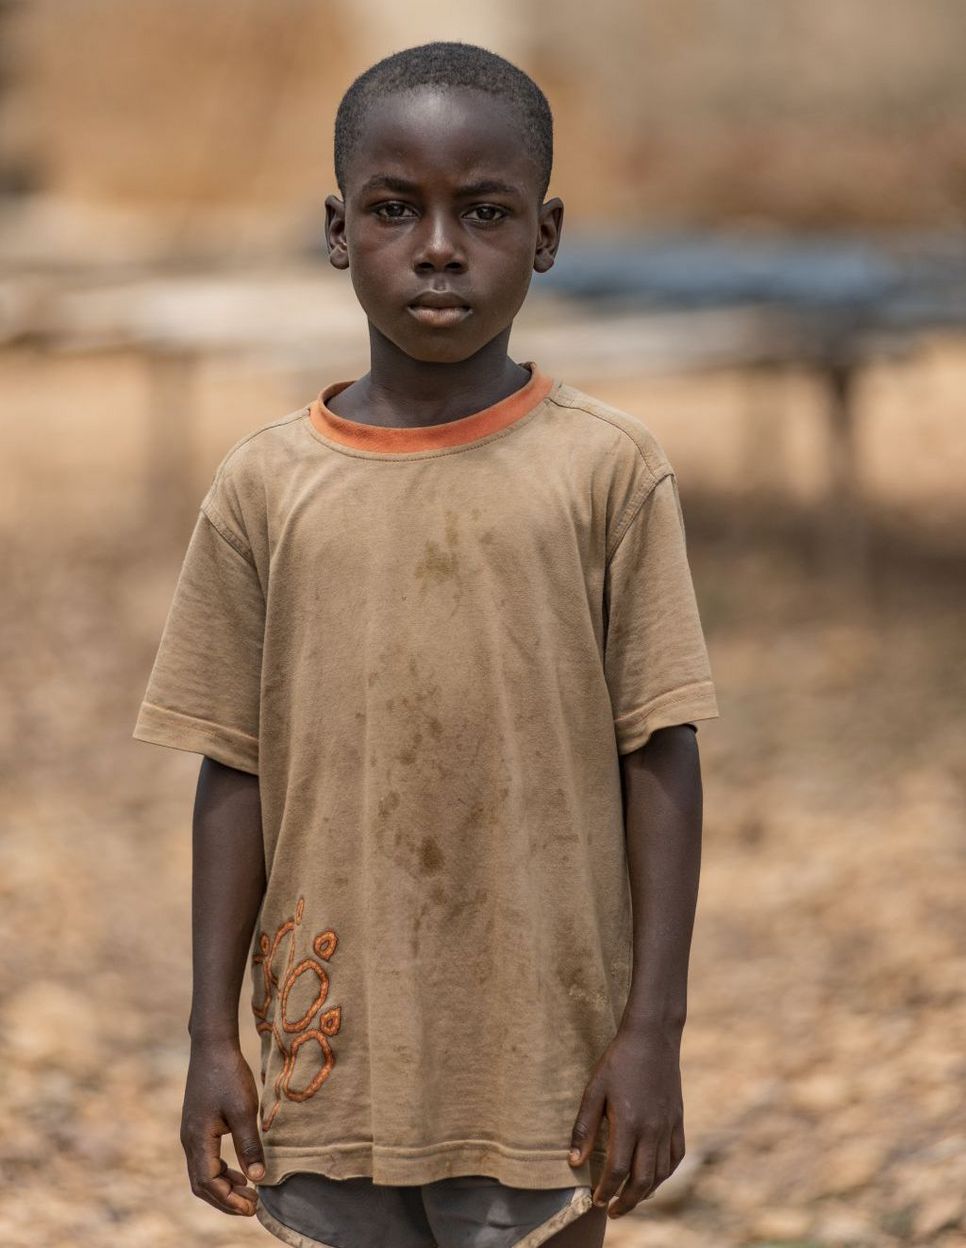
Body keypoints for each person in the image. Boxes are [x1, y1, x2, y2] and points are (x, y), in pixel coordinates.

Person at [132, 40, 719, 1248]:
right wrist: (209, 1038)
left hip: (542, 1065)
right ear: (340, 231)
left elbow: (659, 750)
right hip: (330, 1061)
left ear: (545, 234)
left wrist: (651, 1034)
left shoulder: (606, 471)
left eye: (485, 211)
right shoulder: (264, 487)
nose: (440, 246)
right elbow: (232, 768)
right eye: (397, 209)